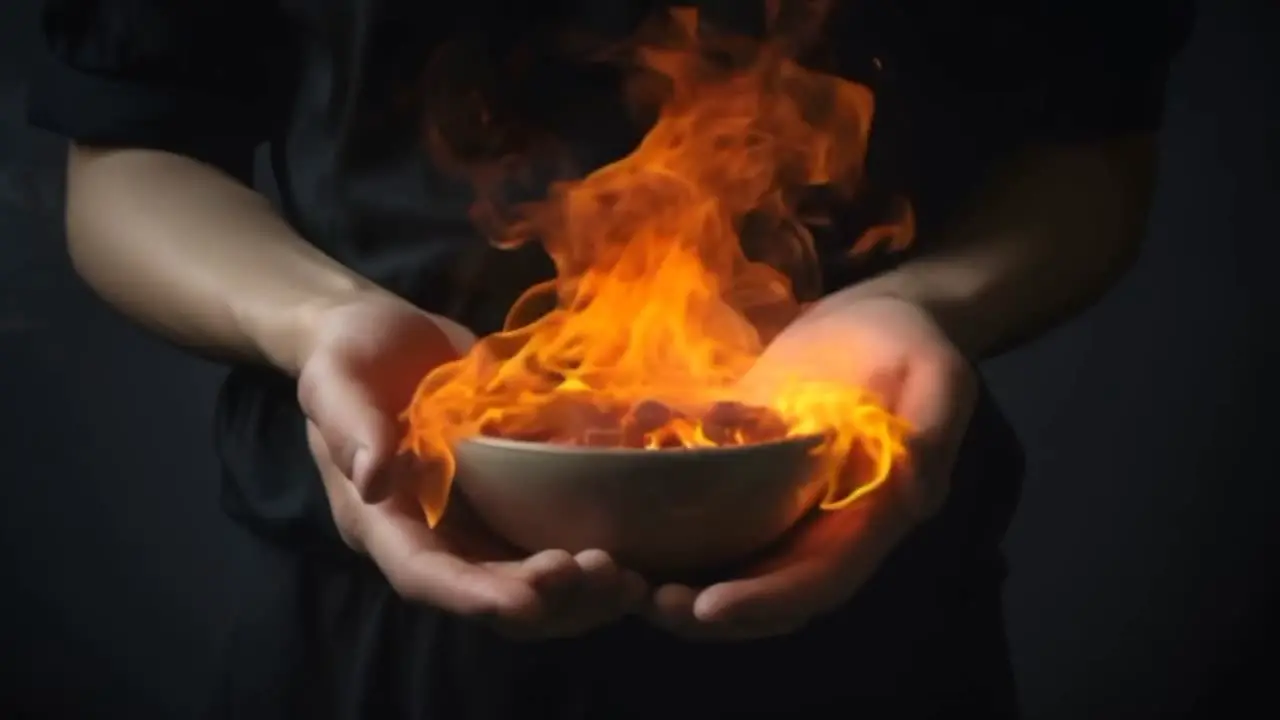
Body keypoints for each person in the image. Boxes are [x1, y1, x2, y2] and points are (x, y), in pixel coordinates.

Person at [29, 0, 1193, 717]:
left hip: (874, 620)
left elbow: (1088, 149)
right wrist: (319, 320)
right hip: (370, 637)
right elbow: (131, 151)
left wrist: (926, 302)